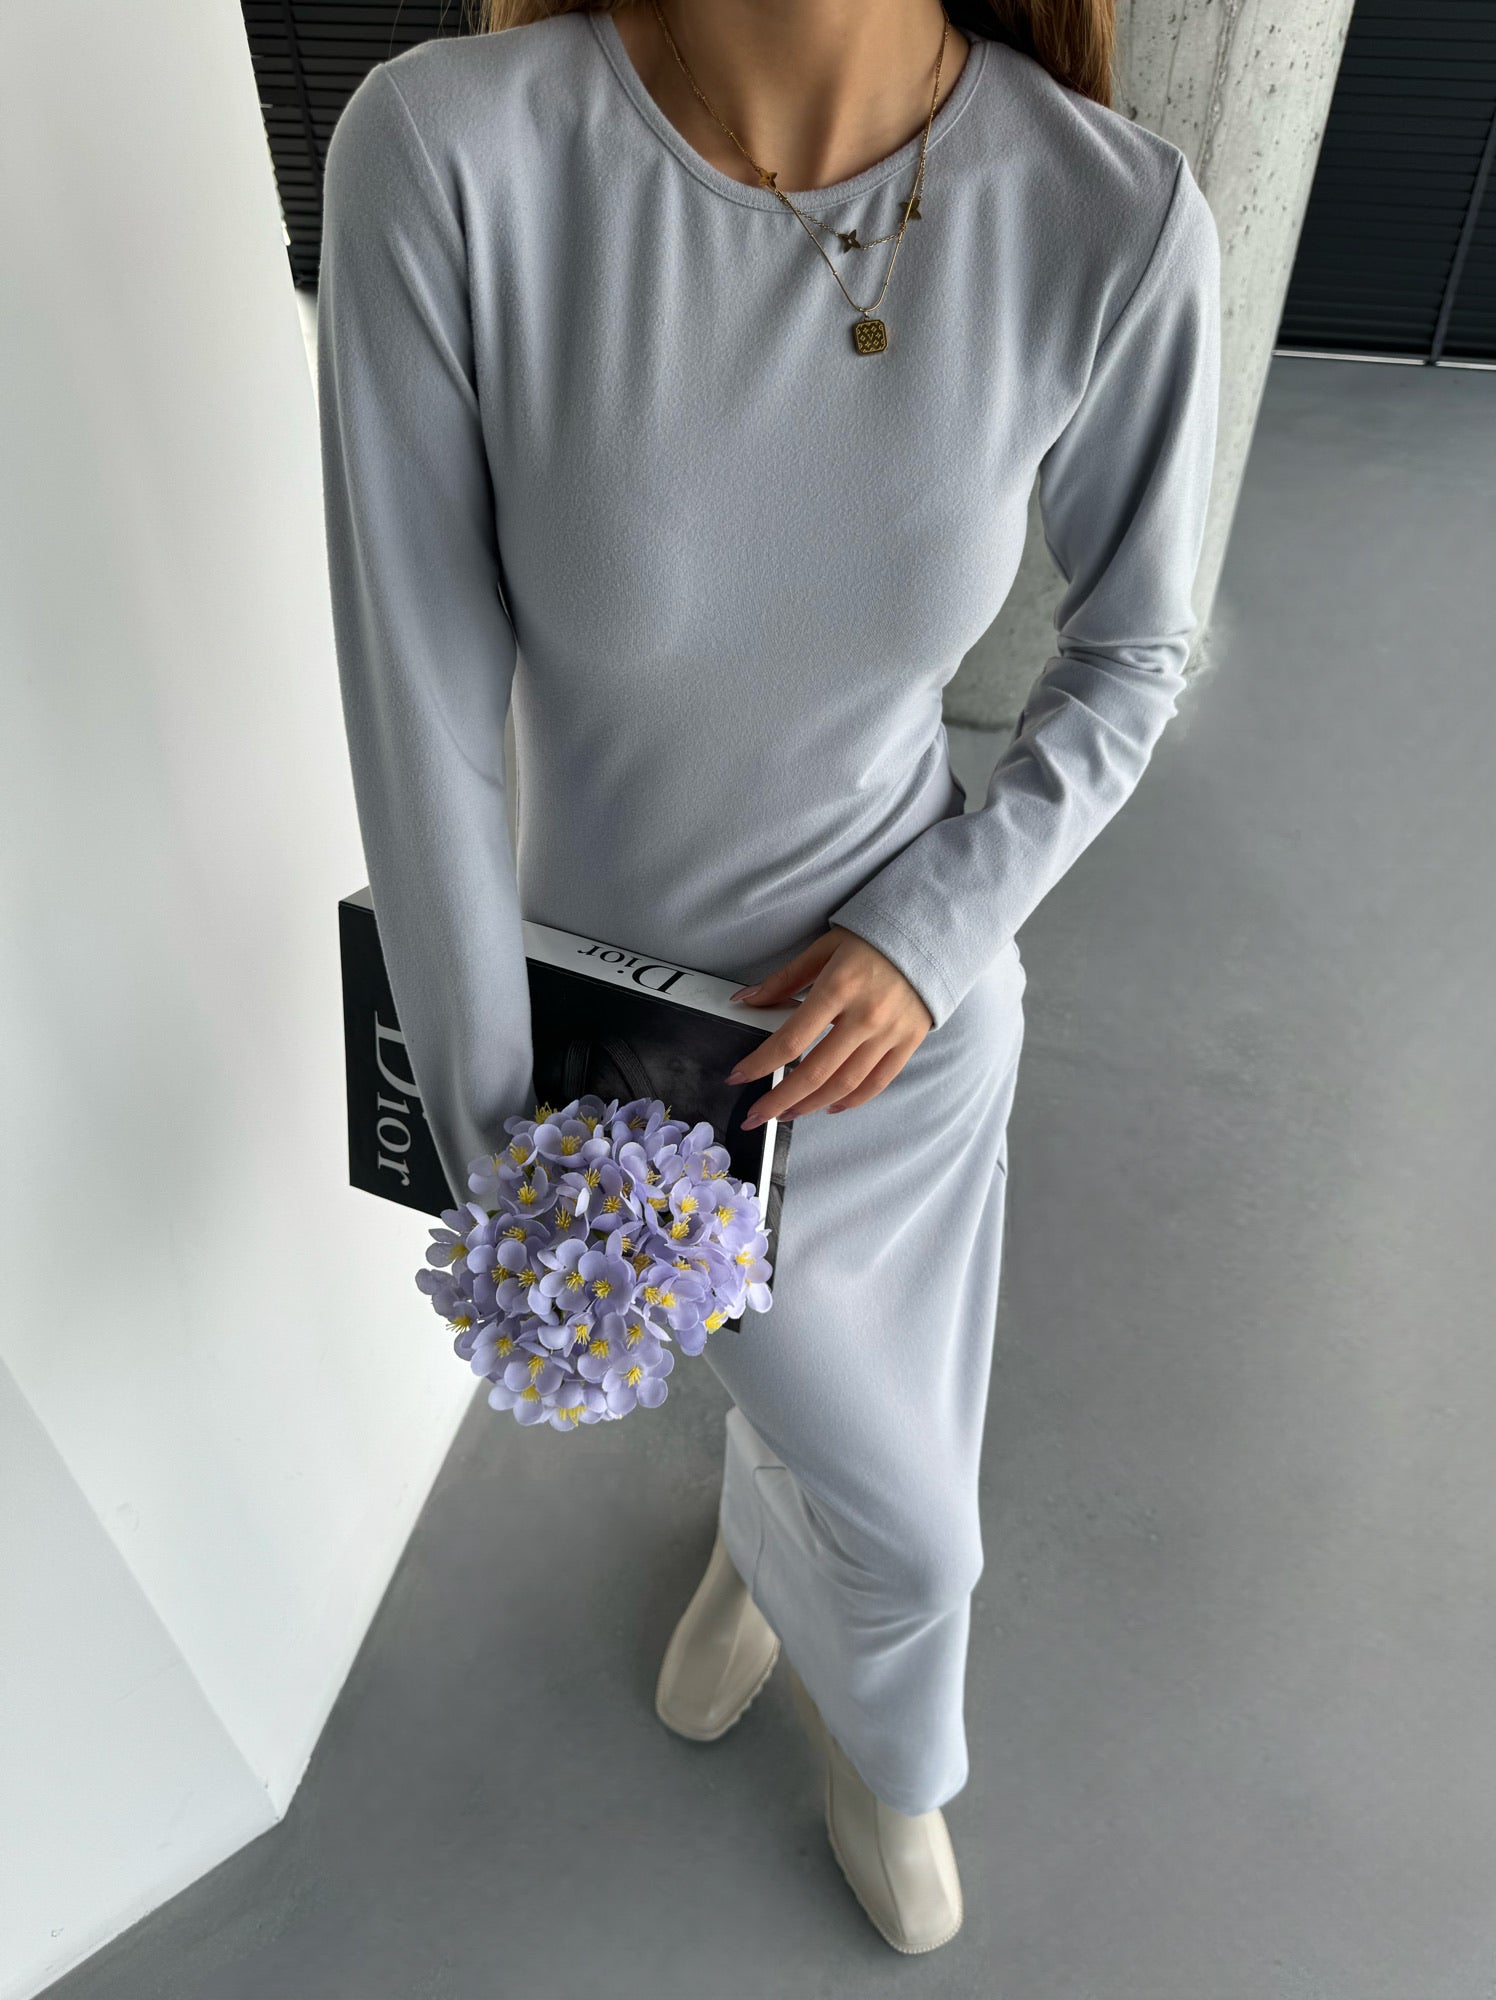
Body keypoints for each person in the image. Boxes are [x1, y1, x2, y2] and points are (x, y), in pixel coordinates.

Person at [317, 0, 1220, 1956]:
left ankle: (861, 1714)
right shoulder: (451, 155)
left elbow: (1134, 655)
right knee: (904, 1510)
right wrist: (511, 1145)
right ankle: (842, 1648)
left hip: (899, 1042)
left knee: (911, 1489)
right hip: (621, 1080)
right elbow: (421, 702)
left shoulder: (1110, 215)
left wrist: (933, 934)